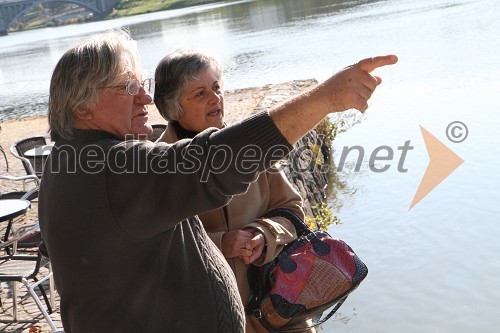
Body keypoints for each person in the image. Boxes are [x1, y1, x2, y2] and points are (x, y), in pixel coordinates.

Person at [38, 28, 397, 333]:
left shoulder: (71, 161)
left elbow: (288, 208)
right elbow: (211, 160)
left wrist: (264, 233)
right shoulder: (110, 165)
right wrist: (323, 99)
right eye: (128, 87)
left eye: (142, 84)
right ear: (82, 108)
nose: (145, 97)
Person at [153, 50, 316, 333]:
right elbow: (154, 249)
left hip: (279, 306)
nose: (216, 99)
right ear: (173, 107)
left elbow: (291, 208)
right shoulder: (157, 165)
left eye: (217, 88)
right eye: (201, 93)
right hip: (212, 318)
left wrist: (263, 234)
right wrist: (220, 243)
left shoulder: (250, 147)